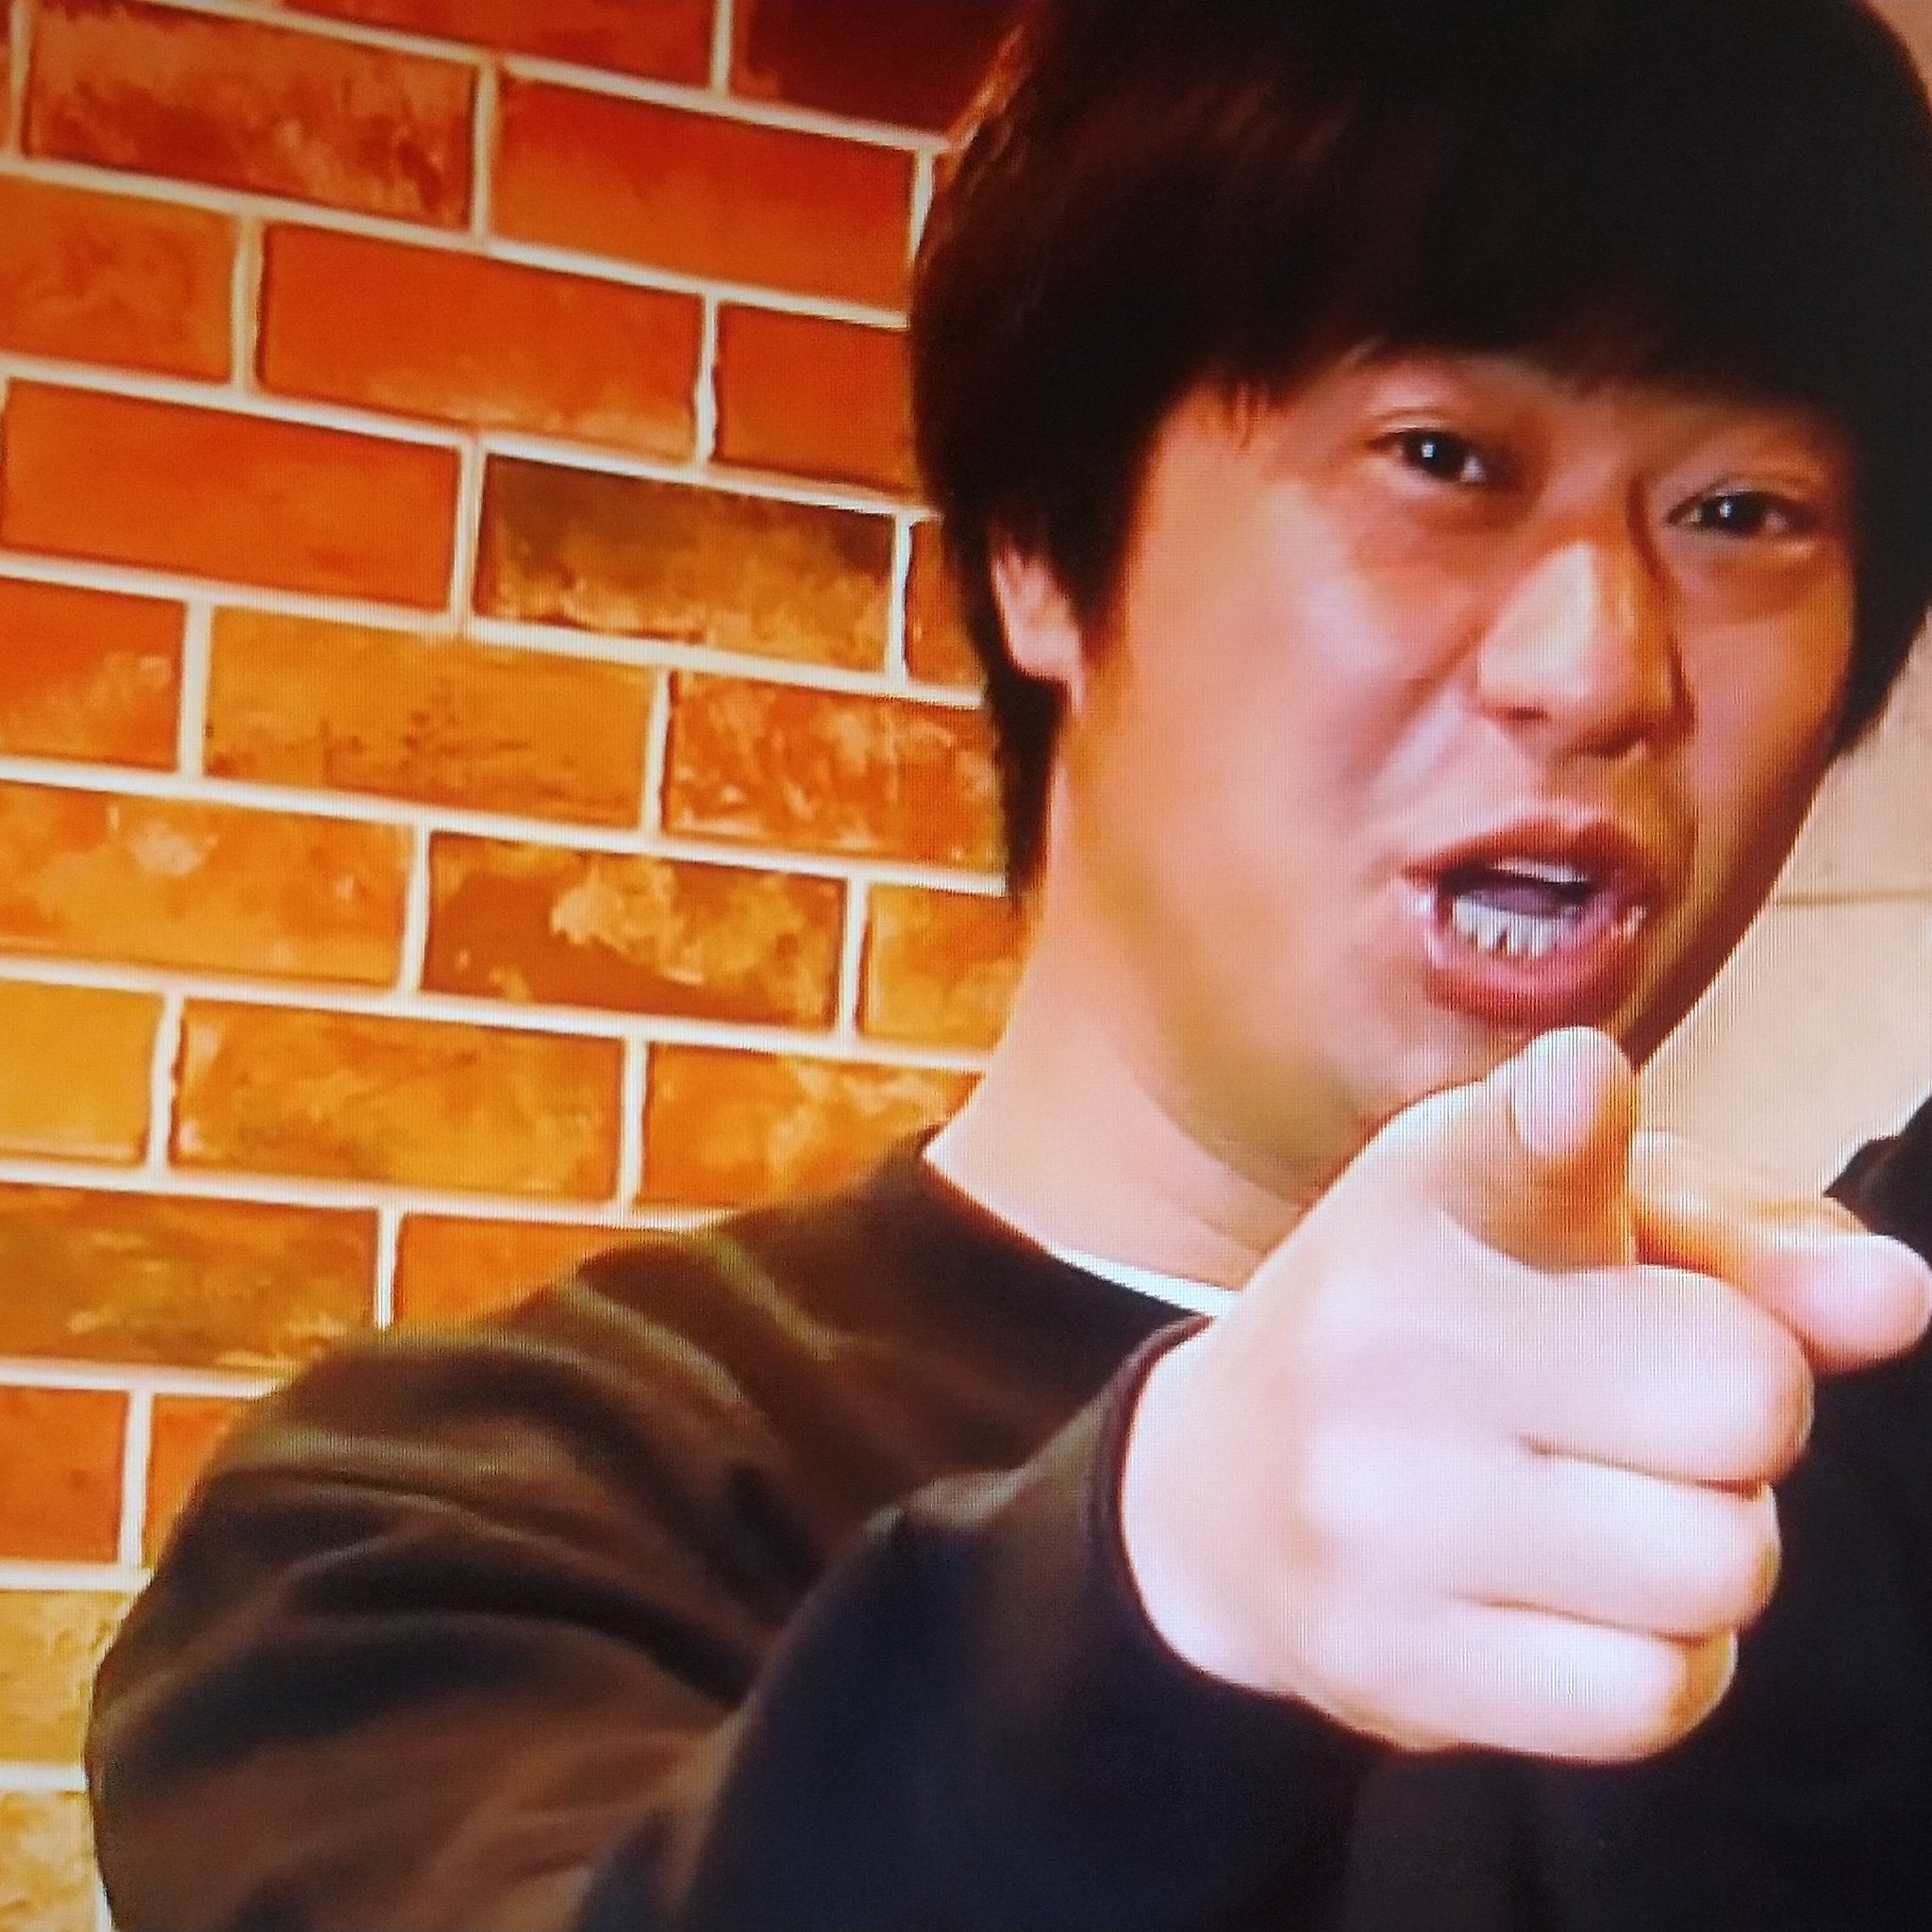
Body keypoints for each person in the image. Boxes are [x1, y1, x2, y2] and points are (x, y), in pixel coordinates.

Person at [86, 3, 1932, 1927]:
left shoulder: (1846, 1492)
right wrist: (1164, 1598)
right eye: (1443, 458)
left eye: (1742, 515)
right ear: (1046, 549)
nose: (1603, 666)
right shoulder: (448, 1525)